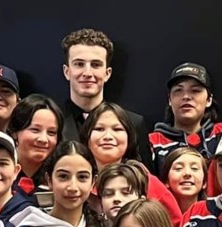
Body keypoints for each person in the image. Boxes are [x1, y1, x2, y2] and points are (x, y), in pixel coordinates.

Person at [59, 29, 152, 171]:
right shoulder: (53, 122)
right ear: (67, 71)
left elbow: (146, 180)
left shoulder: (134, 123)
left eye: (96, 65)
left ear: (107, 73)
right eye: (79, 64)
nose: (88, 73)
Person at [79, 102, 182, 227]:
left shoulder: (144, 180)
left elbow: (175, 226)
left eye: (117, 129)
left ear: (129, 137)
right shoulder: (78, 181)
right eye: (99, 129)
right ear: (86, 136)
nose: (108, 136)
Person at [149, 62, 222, 179]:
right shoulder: (153, 143)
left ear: (209, 100)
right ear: (169, 100)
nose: (186, 96)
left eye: (195, 91)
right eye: (178, 91)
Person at [6, 94, 64, 203]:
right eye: (35, 130)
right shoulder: (0, 174)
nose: (43, 139)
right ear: (14, 132)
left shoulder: (59, 179)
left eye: (51, 133)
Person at [163, 147, 207, 213]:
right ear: (166, 180)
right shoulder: (156, 216)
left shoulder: (214, 216)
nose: (187, 173)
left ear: (204, 182)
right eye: (178, 168)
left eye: (194, 168)